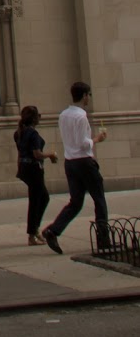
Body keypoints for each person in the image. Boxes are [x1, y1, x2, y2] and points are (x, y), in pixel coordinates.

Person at [42, 80, 109, 253]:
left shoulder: (64, 115)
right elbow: (83, 143)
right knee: (99, 199)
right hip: (84, 161)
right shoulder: (81, 116)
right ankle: (103, 239)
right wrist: (97, 139)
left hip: (70, 162)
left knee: (76, 201)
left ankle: (53, 230)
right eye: (89, 95)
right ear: (85, 95)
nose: (89, 98)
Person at [14, 105, 57, 244]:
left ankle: (34, 230)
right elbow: (37, 154)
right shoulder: (33, 134)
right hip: (33, 168)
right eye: (38, 115)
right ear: (34, 118)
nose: (40, 118)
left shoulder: (19, 132)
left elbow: (21, 152)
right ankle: (32, 233)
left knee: (41, 198)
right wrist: (51, 154)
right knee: (37, 199)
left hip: (25, 168)